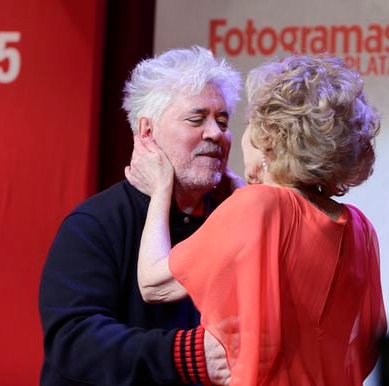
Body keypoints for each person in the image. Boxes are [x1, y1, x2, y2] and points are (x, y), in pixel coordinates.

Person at [126, 55, 387, 385]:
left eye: (245, 121)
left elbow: (153, 284)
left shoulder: (257, 207)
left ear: (270, 138)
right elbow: (365, 350)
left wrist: (160, 187)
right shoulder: (359, 227)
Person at [38, 46, 243, 386]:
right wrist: (184, 355)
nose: (216, 133)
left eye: (222, 121)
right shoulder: (95, 223)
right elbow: (73, 342)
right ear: (146, 132)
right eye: (197, 119)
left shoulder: (233, 216)